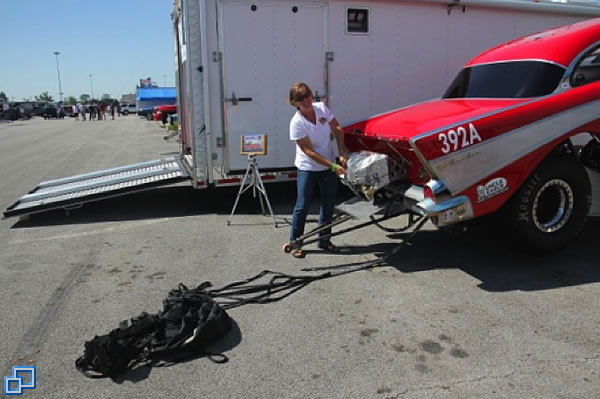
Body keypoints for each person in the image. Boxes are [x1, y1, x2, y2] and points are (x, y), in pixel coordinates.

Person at [284, 82, 348, 258]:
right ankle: (296, 242)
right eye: (301, 98)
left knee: (328, 204)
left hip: (327, 163)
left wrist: (341, 151)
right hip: (308, 167)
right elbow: (309, 152)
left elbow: (337, 129)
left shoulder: (320, 108)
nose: (306, 100)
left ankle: (324, 240)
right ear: (294, 102)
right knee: (302, 205)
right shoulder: (296, 123)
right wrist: (334, 166)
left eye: (308, 95)